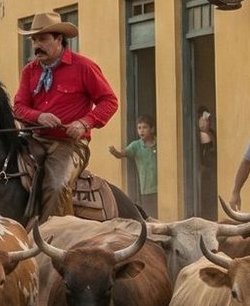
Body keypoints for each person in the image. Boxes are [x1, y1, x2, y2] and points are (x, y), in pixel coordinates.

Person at [12, 11, 119, 219]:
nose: (36, 45)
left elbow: (109, 101)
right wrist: (39, 117)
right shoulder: (29, 71)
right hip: (33, 139)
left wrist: (84, 123)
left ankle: (54, 233)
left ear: (59, 39)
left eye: (43, 39)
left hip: (69, 145)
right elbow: (19, 107)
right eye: (34, 40)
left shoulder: (84, 67)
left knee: (57, 185)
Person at [109, 115, 158, 211]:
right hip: (147, 189)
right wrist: (115, 152)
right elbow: (122, 154)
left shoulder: (160, 142)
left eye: (145, 127)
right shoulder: (136, 146)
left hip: (162, 187)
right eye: (139, 128)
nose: (141, 131)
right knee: (150, 212)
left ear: (152, 129)